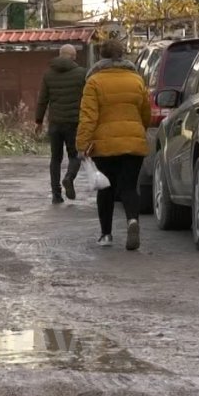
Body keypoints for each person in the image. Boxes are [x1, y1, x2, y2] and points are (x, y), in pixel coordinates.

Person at [76, 38, 150, 250]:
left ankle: (106, 235)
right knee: (128, 187)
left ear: (101, 56)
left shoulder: (94, 82)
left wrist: (82, 144)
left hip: (104, 146)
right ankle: (132, 221)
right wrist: (139, 131)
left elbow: (88, 116)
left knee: (106, 189)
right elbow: (145, 112)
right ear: (123, 55)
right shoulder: (136, 80)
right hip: (133, 142)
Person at [35, 44, 87, 204]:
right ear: (73, 56)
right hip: (74, 122)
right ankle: (69, 178)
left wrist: (38, 121)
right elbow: (88, 98)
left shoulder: (48, 74)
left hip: (55, 123)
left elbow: (42, 99)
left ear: (59, 55)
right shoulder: (82, 74)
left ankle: (56, 195)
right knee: (75, 155)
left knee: (55, 159)